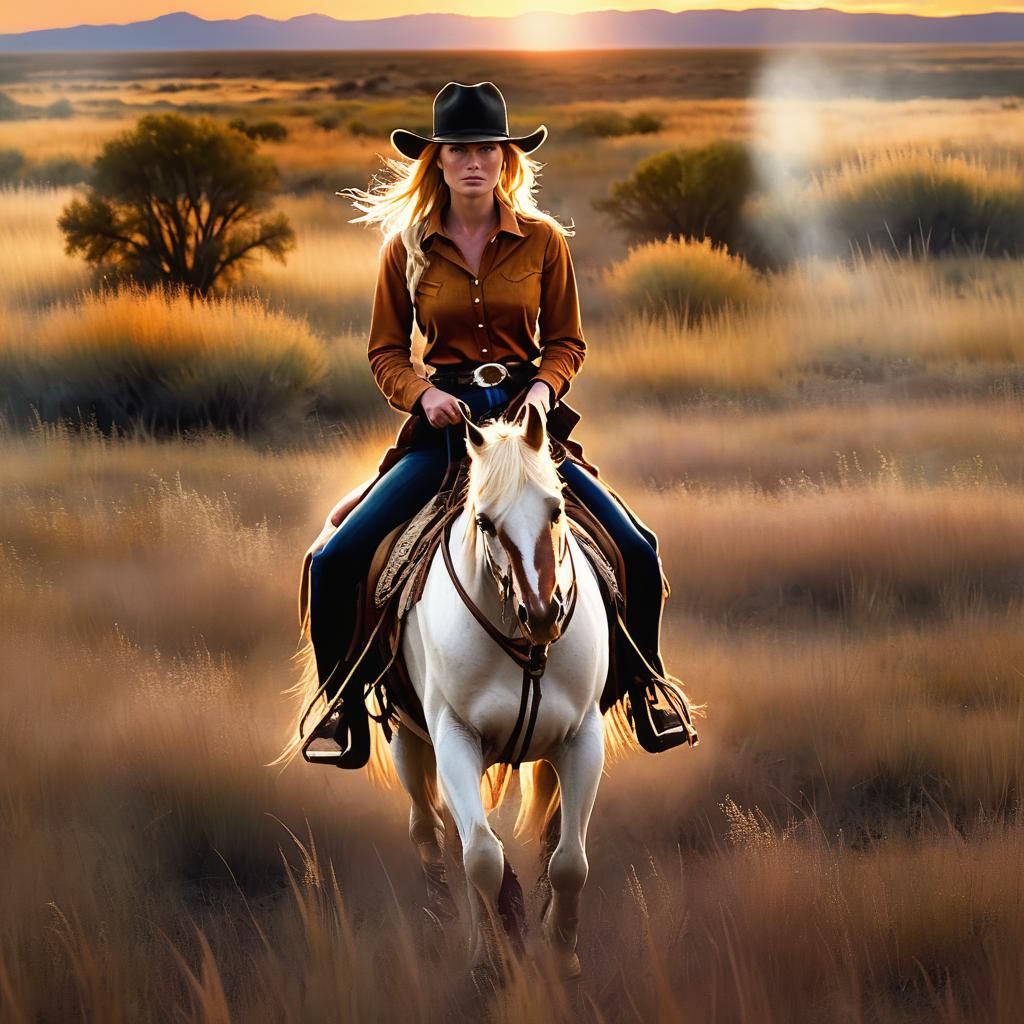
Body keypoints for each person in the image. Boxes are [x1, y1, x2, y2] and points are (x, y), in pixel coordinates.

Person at [303, 81, 698, 767]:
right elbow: (385, 354)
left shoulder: (543, 241)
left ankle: (646, 692)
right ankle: (341, 708)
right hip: (445, 433)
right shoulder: (405, 247)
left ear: (506, 157)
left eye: (487, 148)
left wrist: (543, 390)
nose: (473, 162)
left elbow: (567, 342)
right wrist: (424, 396)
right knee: (334, 560)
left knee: (638, 549)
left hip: (530, 430)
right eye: (458, 150)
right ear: (436, 160)